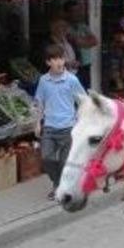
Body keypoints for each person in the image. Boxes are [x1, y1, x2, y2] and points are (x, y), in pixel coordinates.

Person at [35, 44, 86, 200]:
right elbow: (39, 102)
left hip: (68, 128)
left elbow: (83, 101)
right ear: (48, 62)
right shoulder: (43, 81)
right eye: (55, 59)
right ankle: (58, 182)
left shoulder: (72, 80)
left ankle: (60, 187)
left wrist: (79, 120)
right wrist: (37, 123)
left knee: (64, 162)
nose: (59, 62)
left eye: (61, 58)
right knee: (47, 158)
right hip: (49, 127)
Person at [63, 1, 98, 90]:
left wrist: (80, 41)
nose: (77, 13)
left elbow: (94, 41)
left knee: (85, 89)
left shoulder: (83, 26)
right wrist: (85, 41)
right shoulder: (65, 27)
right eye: (74, 11)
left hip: (85, 63)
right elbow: (75, 42)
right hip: (72, 65)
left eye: (78, 10)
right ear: (67, 13)